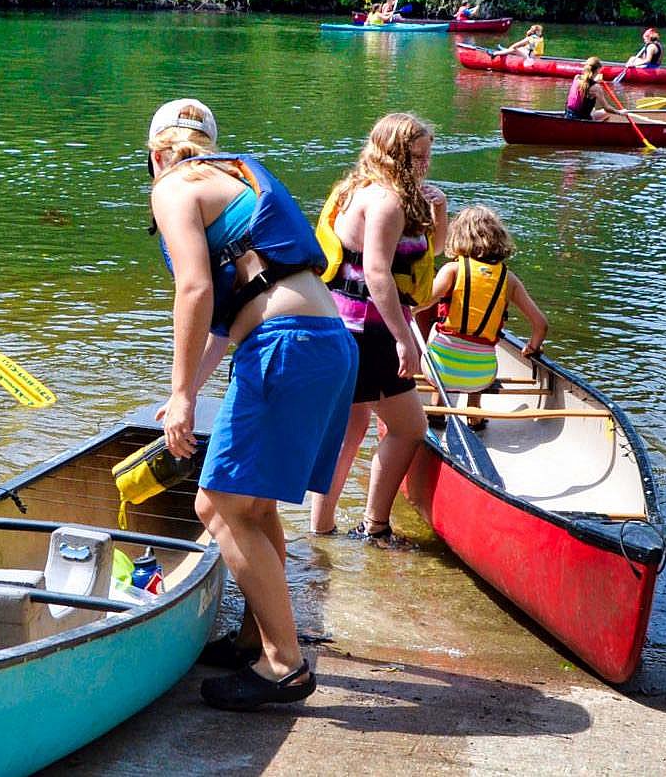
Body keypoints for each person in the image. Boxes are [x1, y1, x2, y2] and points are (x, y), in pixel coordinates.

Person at [145, 99, 355, 710]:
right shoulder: (233, 175)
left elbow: (194, 289)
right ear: (208, 142)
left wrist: (183, 394)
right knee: (254, 502)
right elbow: (233, 315)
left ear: (157, 153)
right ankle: (256, 637)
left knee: (217, 504)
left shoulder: (171, 188)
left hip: (286, 347)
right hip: (324, 341)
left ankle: (284, 666)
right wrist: (186, 387)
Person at [305, 113, 443, 542]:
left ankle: (321, 529)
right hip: (370, 331)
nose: (426, 165)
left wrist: (439, 209)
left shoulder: (362, 190)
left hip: (342, 325)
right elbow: (379, 274)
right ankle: (376, 526)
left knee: (350, 429)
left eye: (428, 156)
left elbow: (427, 253)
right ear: (396, 156)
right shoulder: (387, 202)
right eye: (418, 157)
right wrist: (405, 340)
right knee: (409, 429)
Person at [424, 206, 548, 427]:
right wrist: (532, 347)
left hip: (440, 370)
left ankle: (436, 408)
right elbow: (541, 325)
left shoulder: (452, 270)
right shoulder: (509, 280)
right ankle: (474, 413)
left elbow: (423, 302)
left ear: (458, 236)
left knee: (436, 329)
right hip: (481, 374)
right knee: (483, 345)